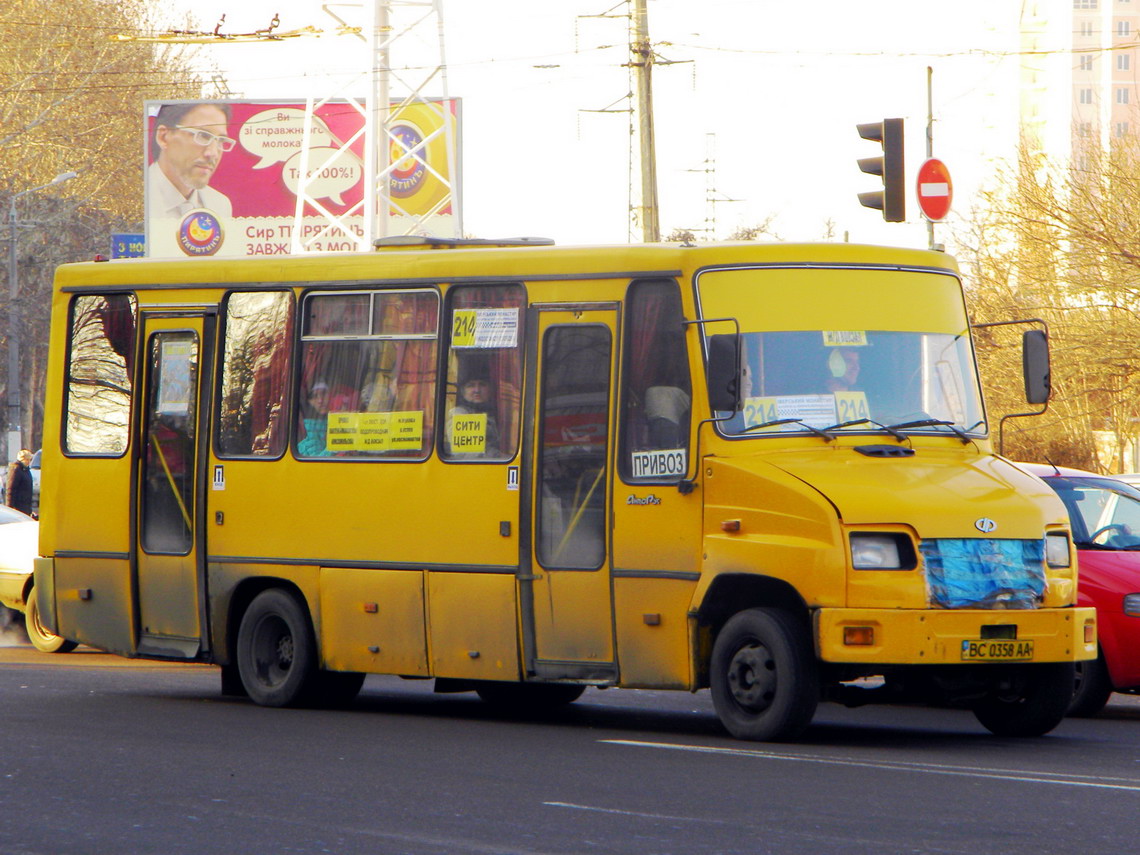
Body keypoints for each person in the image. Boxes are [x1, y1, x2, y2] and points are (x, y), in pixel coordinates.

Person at [148, 102, 235, 219]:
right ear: (163, 137)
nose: (213, 153)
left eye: (220, 141)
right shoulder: (137, 199)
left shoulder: (220, 205)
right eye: (203, 135)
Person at [446, 358, 500, 458]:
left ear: (490, 389)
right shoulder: (458, 415)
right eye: (471, 386)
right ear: (463, 392)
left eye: (482, 385)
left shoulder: (499, 413)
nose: (477, 390)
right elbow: (468, 453)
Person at [297, 381, 334, 457]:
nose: (320, 400)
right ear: (309, 401)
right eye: (314, 396)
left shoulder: (342, 421)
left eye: (323, 393)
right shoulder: (307, 431)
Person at [5, 449, 34, 516]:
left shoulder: (26, 470)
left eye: (30, 460)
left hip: (25, 506)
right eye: (27, 460)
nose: (28, 462)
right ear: (21, 459)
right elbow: (10, 489)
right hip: (17, 506)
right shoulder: (15, 469)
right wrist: (10, 508)